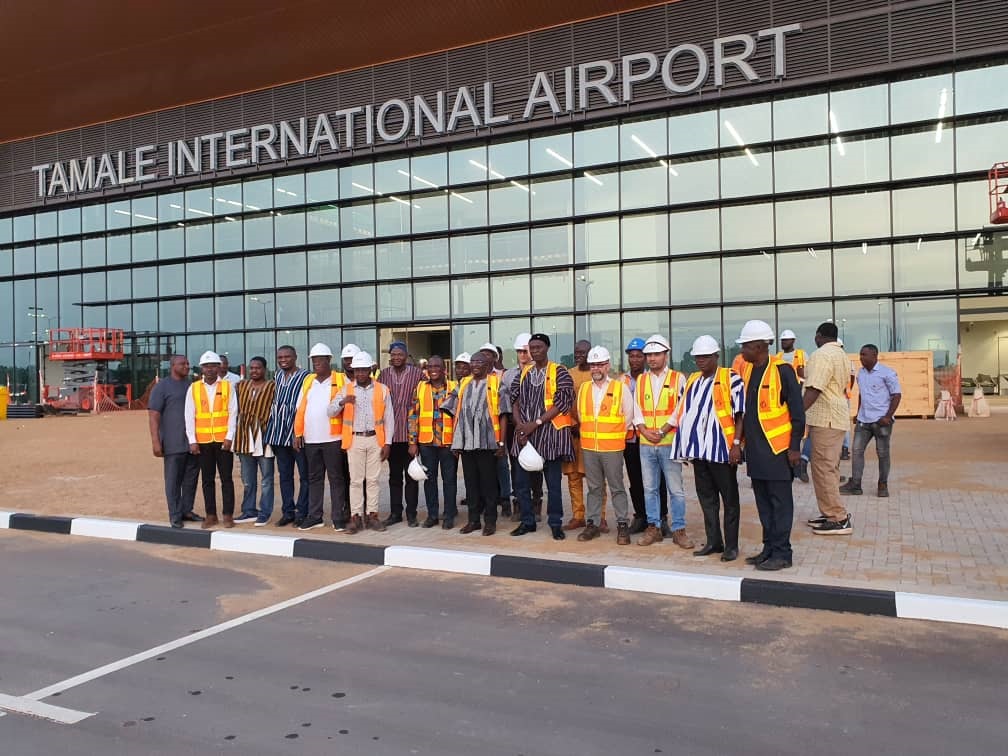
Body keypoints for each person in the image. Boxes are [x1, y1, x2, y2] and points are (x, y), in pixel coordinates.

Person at [734, 321, 805, 570]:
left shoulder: (783, 371)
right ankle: (769, 548)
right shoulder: (750, 370)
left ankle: (783, 553)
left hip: (778, 451)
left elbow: (798, 413)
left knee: (780, 504)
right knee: (764, 504)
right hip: (756, 452)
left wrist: (795, 448)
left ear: (758, 346)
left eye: (745, 346)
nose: (742, 350)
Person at [672, 336, 745, 561]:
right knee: (707, 499)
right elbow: (684, 412)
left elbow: (740, 413)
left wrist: (736, 445)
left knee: (729, 499)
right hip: (700, 452)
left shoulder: (730, 378)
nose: (700, 361)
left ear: (716, 356)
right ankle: (714, 541)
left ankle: (731, 546)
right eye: (697, 357)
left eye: (705, 357)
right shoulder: (693, 380)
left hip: (722, 451)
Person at [510, 333, 575, 541]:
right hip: (525, 436)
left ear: (547, 348)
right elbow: (514, 401)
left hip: (550, 435)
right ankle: (527, 521)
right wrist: (520, 426)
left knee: (553, 485)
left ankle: (555, 523)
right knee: (521, 483)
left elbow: (562, 403)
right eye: (532, 348)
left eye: (539, 347)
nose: (535, 351)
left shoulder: (560, 371)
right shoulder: (524, 373)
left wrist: (535, 424)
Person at [632, 334, 692, 549]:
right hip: (647, 444)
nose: (652, 359)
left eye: (656, 354)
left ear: (666, 355)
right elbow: (636, 408)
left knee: (676, 489)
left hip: (669, 442)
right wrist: (644, 430)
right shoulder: (642, 380)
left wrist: (663, 429)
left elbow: (681, 408)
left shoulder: (678, 378)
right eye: (649, 355)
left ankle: (679, 529)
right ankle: (653, 528)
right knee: (649, 489)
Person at [444, 351, 509, 536]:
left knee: (488, 484)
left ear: (487, 364)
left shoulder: (497, 383)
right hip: (467, 443)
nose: (474, 365)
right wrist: (456, 442)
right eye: (472, 362)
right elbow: (451, 409)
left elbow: (504, 414)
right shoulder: (463, 383)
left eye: (479, 361)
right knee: (471, 484)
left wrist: (502, 442)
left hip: (488, 443)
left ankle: (490, 521)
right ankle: (474, 521)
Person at [574, 346, 634, 545]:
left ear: (608, 365)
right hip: (590, 447)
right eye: (593, 365)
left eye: (600, 364)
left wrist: (612, 435)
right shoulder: (584, 389)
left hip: (613, 448)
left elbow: (628, 416)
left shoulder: (620, 387)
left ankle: (622, 524)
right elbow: (582, 416)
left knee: (617, 488)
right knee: (594, 488)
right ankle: (593, 523)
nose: (596, 368)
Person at [331, 351, 394, 534]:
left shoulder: (382, 389)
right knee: (356, 481)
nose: (360, 374)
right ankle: (356, 517)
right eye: (357, 370)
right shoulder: (346, 389)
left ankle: (372, 515)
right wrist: (342, 402)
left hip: (375, 439)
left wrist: (387, 443)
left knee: (373, 480)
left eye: (363, 370)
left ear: (370, 370)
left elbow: (389, 418)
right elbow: (330, 411)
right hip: (355, 440)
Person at [803, 322, 854, 536]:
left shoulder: (822, 355)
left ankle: (838, 518)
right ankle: (829, 512)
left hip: (826, 418)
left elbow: (815, 387)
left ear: (819, 335)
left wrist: (797, 413)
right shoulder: (841, 354)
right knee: (827, 468)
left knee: (823, 468)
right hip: (836, 416)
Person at [292, 343, 348, 531]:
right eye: (314, 361)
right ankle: (315, 516)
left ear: (329, 360)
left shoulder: (340, 379)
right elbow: (300, 409)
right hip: (311, 440)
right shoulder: (308, 381)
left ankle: (338, 517)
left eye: (320, 360)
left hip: (334, 438)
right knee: (314, 478)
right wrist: (298, 433)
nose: (316, 364)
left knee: (336, 478)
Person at [148, 354, 203, 528]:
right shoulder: (162, 387)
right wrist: (156, 442)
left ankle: (187, 510)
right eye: (183, 363)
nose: (187, 366)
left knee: (191, 479)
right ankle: (175, 514)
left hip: (193, 442)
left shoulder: (193, 386)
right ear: (173, 366)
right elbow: (153, 416)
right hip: (173, 443)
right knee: (173, 481)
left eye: (188, 363)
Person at [184, 351, 238, 528]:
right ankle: (211, 515)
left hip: (223, 441)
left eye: (213, 366)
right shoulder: (194, 388)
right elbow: (189, 415)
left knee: (226, 479)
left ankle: (228, 515)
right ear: (201, 368)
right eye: (206, 366)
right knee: (207, 479)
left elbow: (233, 413)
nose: (210, 369)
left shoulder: (228, 387)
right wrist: (192, 440)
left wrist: (230, 437)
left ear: (219, 367)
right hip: (203, 441)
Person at [841, 345, 902, 498]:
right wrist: (858, 412)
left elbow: (896, 395)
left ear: (874, 355)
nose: (861, 358)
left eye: (864, 355)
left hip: (881, 422)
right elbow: (862, 394)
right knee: (856, 451)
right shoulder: (861, 374)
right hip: (863, 421)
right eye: (860, 355)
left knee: (882, 454)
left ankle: (882, 485)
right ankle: (856, 484)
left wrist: (888, 416)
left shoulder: (887, 373)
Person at [621, 337, 667, 534]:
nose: (635, 360)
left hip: (651, 437)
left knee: (658, 480)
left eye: (640, 356)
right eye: (632, 356)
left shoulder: (652, 378)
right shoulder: (621, 381)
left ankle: (661, 517)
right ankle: (640, 516)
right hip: (630, 439)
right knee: (636, 480)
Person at [407, 355, 458, 529]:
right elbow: (413, 415)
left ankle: (450, 515)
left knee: (449, 481)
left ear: (444, 369)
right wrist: (412, 442)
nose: (433, 369)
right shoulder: (420, 387)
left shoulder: (454, 387)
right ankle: (432, 515)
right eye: (430, 366)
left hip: (448, 443)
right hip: (427, 443)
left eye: (437, 366)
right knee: (429, 480)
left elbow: (459, 416)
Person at [563, 339, 608, 532]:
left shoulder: (596, 375)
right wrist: (572, 424)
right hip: (572, 435)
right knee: (573, 477)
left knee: (596, 478)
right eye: (576, 352)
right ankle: (578, 515)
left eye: (583, 352)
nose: (579, 355)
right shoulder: (568, 374)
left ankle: (600, 516)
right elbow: (563, 401)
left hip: (592, 435)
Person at [264, 345, 310, 527]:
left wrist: (298, 432)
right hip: (278, 435)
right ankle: (288, 511)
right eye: (280, 357)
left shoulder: (306, 376)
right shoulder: (276, 376)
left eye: (287, 356)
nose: (283, 359)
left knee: (304, 476)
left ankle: (302, 511)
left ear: (295, 357)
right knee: (284, 476)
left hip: (297, 436)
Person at [380, 341, 424, 526]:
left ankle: (412, 514)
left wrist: (416, 439)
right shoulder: (383, 375)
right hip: (391, 435)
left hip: (410, 435)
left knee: (411, 476)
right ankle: (395, 513)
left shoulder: (417, 374)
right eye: (394, 354)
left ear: (406, 356)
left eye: (400, 354)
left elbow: (422, 403)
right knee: (394, 476)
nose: (396, 357)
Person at [503, 333, 543, 522]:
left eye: (526, 351)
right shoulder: (509, 375)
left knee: (535, 467)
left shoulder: (541, 372)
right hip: (514, 427)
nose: (523, 355)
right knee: (516, 467)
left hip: (536, 427)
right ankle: (519, 502)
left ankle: (536, 502)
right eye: (520, 351)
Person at [233, 357, 276, 526]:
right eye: (251, 368)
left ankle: (264, 512)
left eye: (258, 368)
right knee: (248, 479)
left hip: (264, 437)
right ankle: (249, 510)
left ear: (264, 369)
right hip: (245, 438)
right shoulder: (240, 386)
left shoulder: (273, 386)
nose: (254, 371)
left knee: (267, 478)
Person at [478, 342, 512, 517]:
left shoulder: (502, 376)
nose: (484, 356)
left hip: (497, 431)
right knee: (484, 469)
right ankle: (486, 500)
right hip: (479, 434)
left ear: (495, 357)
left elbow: (504, 411)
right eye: (482, 353)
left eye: (488, 354)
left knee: (501, 467)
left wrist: (502, 439)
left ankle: (505, 499)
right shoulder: (474, 376)